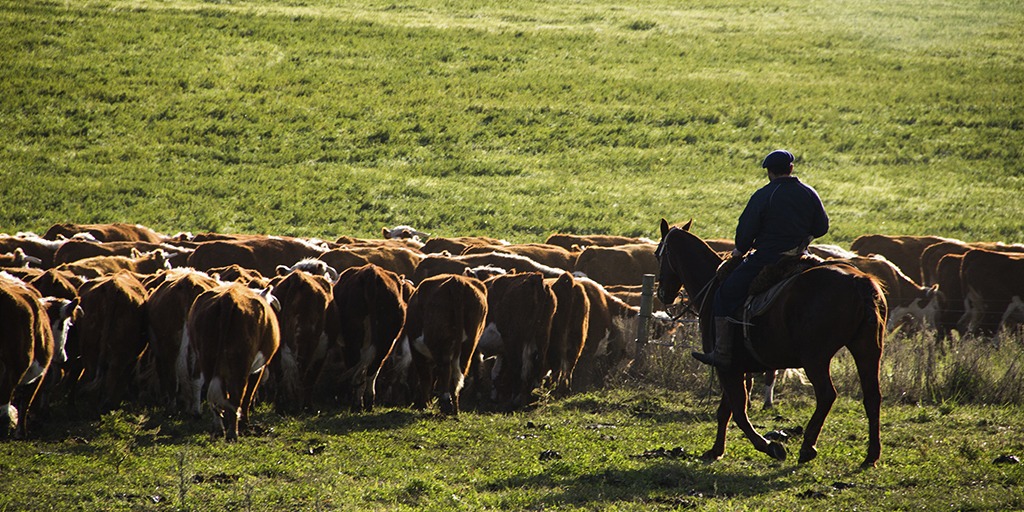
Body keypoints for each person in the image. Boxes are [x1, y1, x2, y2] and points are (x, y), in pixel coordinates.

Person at [692, 149, 829, 367]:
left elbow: (745, 234)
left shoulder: (764, 195)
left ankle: (722, 352)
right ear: (791, 168)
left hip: (768, 259)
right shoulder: (809, 192)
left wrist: (740, 249)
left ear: (769, 172)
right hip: (801, 256)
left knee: (725, 294)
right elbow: (822, 227)